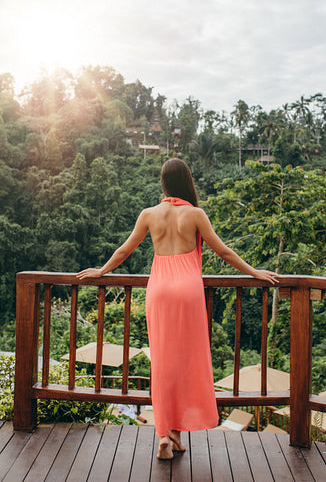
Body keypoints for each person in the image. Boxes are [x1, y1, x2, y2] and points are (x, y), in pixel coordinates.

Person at [77, 158, 278, 459]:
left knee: (163, 362)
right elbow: (222, 250)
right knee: (187, 361)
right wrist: (255, 272)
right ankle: (177, 432)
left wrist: (101, 271)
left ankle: (165, 434)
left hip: (159, 290)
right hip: (188, 291)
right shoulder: (195, 214)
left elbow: (124, 250)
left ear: (163, 183)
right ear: (187, 182)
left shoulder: (149, 214)